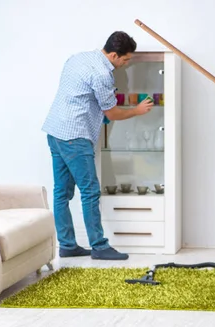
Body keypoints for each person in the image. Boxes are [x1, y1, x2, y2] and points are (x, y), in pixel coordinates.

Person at [42, 31, 153, 260]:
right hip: (75, 135)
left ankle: (67, 245)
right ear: (113, 55)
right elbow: (111, 112)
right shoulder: (103, 74)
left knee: (61, 192)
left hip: (55, 131)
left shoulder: (78, 58)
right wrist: (137, 110)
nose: (126, 63)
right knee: (90, 191)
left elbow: (81, 96)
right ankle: (100, 246)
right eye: (125, 59)